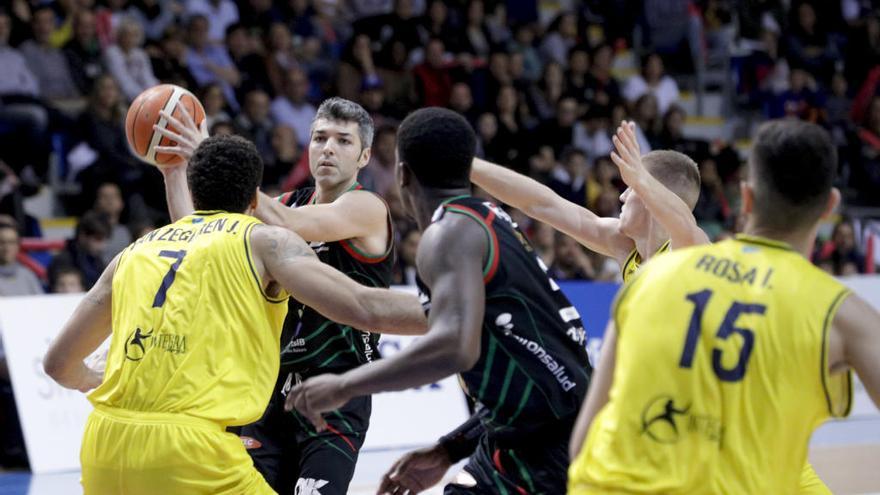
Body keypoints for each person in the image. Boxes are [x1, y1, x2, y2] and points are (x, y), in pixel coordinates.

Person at [42, 134, 426, 494]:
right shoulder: (266, 241)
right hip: (191, 450)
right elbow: (365, 307)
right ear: (256, 201)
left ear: (193, 191)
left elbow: (58, 364)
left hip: (104, 446)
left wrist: (90, 375)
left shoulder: (135, 251)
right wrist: (464, 309)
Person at [289, 107, 592, 494]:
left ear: (402, 174)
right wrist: (451, 449)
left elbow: (452, 347)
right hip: (523, 434)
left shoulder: (447, 234)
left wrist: (344, 385)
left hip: (545, 452)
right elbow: (536, 369)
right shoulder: (490, 217)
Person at [568, 120, 880, 494]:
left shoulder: (655, 280)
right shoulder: (838, 312)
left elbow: (581, 442)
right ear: (830, 205)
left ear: (745, 199)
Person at [155, 97, 401, 495]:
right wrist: (174, 171)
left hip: (334, 391)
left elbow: (289, 223)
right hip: (267, 391)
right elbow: (200, 234)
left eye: (343, 141)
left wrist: (209, 153)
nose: (328, 148)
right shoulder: (287, 202)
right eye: (320, 138)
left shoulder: (366, 207)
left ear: (364, 156)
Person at [471, 122, 707, 283]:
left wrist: (643, 181)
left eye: (631, 188)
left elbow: (684, 221)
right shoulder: (624, 246)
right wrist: (465, 163)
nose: (621, 197)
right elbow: (541, 203)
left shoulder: (690, 249)